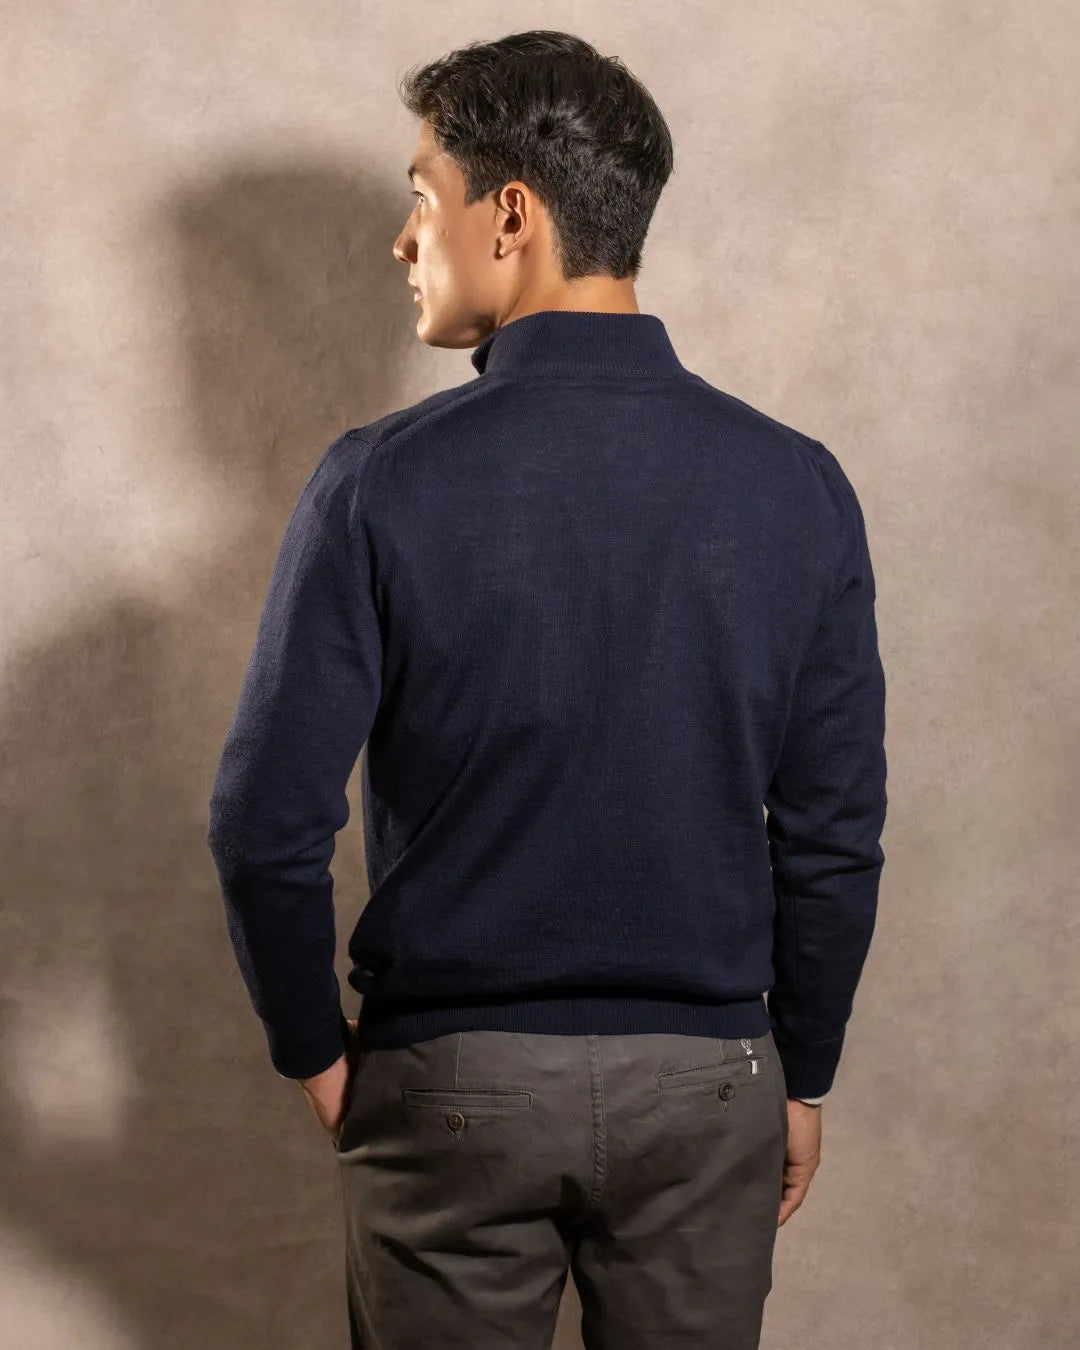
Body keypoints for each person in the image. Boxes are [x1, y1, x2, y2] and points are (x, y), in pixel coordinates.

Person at [207, 28, 888, 1350]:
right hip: (712, 1087)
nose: (404, 242)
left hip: (449, 1085)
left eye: (423, 197)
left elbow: (262, 823)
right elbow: (832, 835)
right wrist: (801, 1072)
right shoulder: (798, 487)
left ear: (509, 215)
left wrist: (318, 1054)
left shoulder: (379, 481)